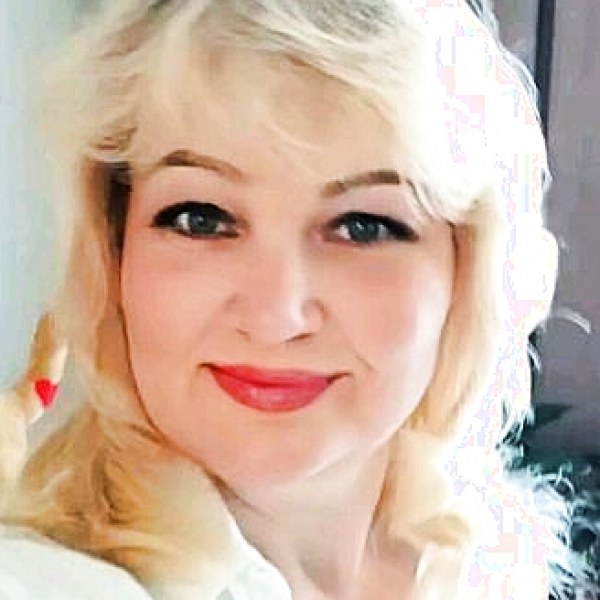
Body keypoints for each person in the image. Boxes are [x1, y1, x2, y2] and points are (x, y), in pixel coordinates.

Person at [0, 0, 594, 598]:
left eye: (362, 226)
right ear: (112, 253)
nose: (275, 317)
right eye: (201, 218)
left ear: (467, 273)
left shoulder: (491, 567)